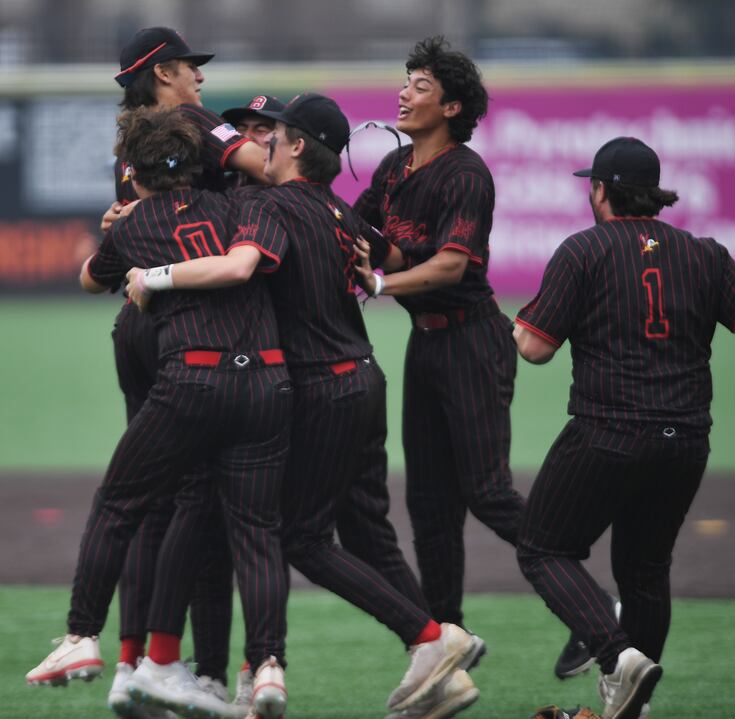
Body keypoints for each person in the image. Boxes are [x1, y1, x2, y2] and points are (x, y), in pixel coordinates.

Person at [125, 92, 482, 719]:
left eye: (275, 133)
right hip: (365, 379)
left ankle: (431, 638)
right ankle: (435, 670)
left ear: (294, 147)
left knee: (297, 537)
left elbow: (233, 262)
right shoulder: (339, 210)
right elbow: (394, 255)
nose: (263, 141)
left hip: (321, 387)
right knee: (360, 529)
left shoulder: (265, 205)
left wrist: (144, 248)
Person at [27, 106, 293, 719]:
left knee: (120, 503)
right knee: (255, 532)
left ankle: (80, 638)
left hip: (191, 382)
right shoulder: (239, 207)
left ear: (134, 173)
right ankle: (269, 665)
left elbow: (92, 281)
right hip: (267, 385)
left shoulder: (129, 227)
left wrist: (125, 243)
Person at [512, 136, 735, 719]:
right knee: (646, 570)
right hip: (685, 439)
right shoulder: (705, 253)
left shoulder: (584, 250)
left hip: (607, 430)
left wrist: (515, 327)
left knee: (542, 547)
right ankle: (630, 705)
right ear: (653, 195)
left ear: (600, 189)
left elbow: (533, 349)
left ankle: (615, 655)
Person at [352, 35, 587, 675]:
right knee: (429, 508)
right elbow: (362, 236)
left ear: (453, 107)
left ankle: (596, 610)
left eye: (421, 85)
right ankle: (445, 647)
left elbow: (451, 266)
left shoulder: (467, 173)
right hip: (427, 347)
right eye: (406, 80)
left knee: (486, 492)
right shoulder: (394, 168)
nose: (404, 92)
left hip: (474, 341)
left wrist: (377, 284)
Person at [101, 27, 277, 717]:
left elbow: (105, 258)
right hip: (197, 329)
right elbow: (266, 168)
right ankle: (193, 672)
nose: (199, 80)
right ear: (163, 74)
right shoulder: (194, 124)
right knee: (209, 503)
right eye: (189, 69)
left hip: (140, 327)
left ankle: (131, 664)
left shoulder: (130, 143)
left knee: (152, 501)